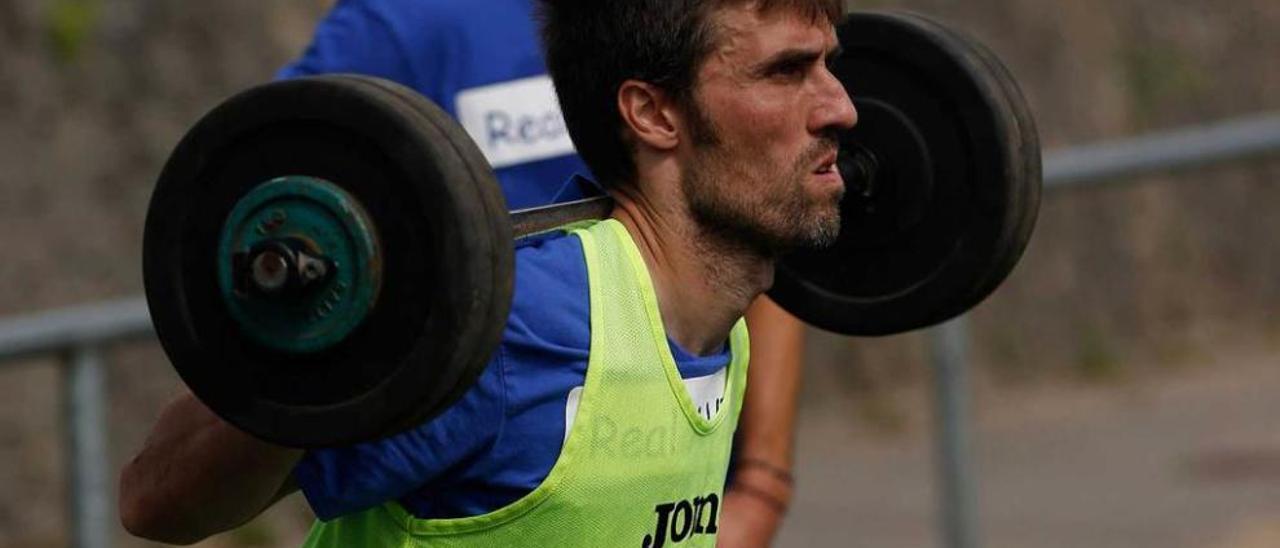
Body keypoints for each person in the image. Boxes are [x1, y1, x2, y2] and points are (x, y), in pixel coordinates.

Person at [119, 0, 854, 545]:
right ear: (654, 114)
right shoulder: (519, 336)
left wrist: (759, 484)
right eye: (787, 70)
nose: (843, 109)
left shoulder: (723, 319)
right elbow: (156, 502)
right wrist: (318, 335)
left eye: (828, 65)